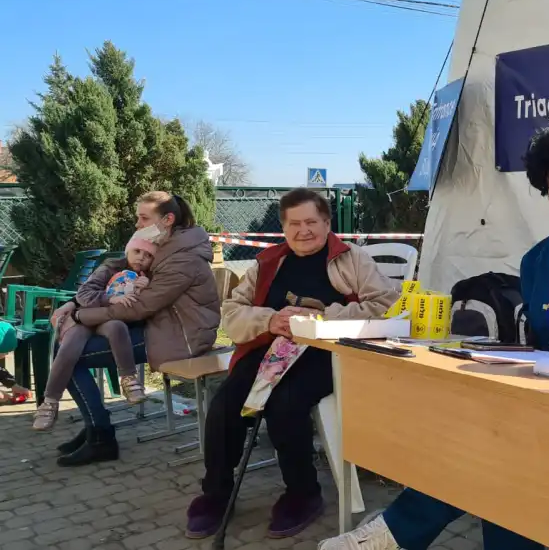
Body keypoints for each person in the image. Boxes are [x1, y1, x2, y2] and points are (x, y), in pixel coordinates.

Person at [320, 116, 549, 550]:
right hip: (545, 402)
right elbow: (539, 341)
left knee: (495, 456)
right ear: (548, 179)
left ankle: (395, 533)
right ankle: (395, 533)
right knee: (482, 440)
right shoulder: (537, 260)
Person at [184, 188, 400, 540]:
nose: (304, 230)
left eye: (312, 222)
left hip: (326, 351)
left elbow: (385, 305)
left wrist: (323, 317)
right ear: (283, 227)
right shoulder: (267, 262)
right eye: (294, 223)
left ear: (327, 223)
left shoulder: (352, 259)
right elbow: (233, 314)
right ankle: (216, 494)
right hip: (270, 348)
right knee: (225, 404)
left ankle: (303, 493)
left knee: (286, 403)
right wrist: (270, 321)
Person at [49, 192, 221, 467]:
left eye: (144, 218)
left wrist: (82, 315)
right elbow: (119, 270)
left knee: (71, 357)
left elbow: (139, 308)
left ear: (167, 220)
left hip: (179, 336)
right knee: (66, 347)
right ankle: (96, 425)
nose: (138, 224)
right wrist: (73, 303)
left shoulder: (182, 258)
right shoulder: (160, 241)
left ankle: (101, 436)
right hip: (155, 326)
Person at [33, 232, 157, 431]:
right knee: (69, 346)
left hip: (109, 321)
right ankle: (50, 402)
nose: (141, 257)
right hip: (87, 317)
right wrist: (109, 299)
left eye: (148, 255)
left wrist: (146, 289)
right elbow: (84, 294)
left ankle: (129, 379)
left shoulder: (148, 278)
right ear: (128, 251)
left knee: (117, 328)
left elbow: (144, 307)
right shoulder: (110, 267)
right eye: (137, 251)